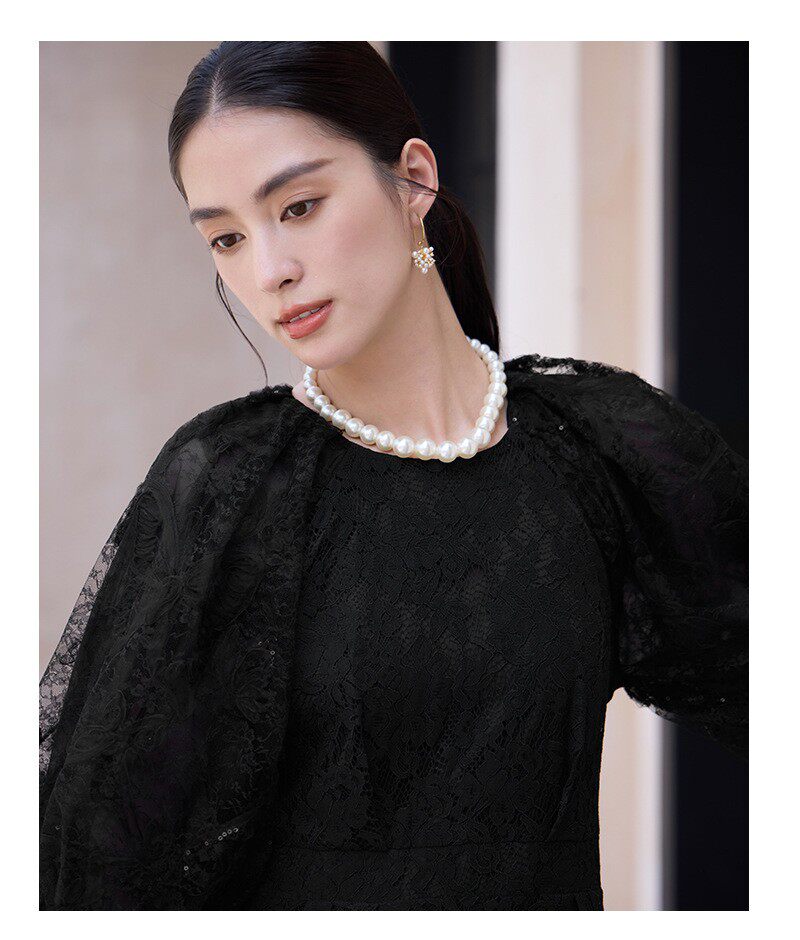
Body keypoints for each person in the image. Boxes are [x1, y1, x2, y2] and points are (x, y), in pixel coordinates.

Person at [39, 41, 748, 911]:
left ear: (413, 180)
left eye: (299, 207)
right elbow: (103, 868)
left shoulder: (596, 445)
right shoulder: (229, 486)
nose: (269, 270)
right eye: (226, 237)